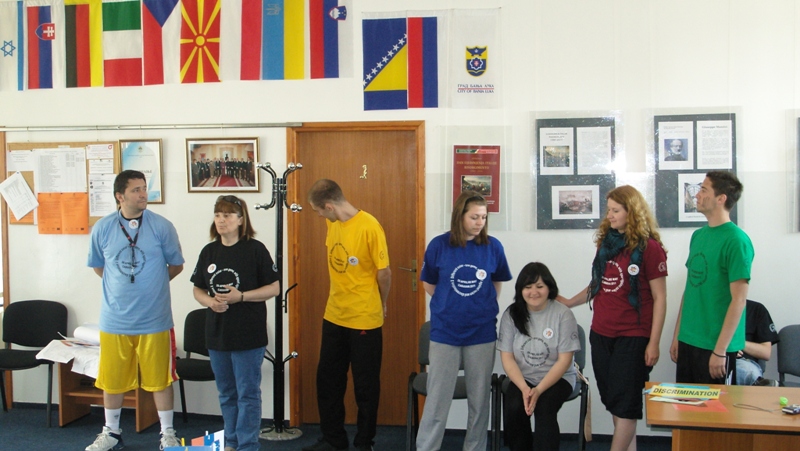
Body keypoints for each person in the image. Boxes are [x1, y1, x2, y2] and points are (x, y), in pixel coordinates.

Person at [558, 185, 667, 451]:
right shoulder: (606, 244)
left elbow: (660, 298)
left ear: (632, 212)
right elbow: (598, 284)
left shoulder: (650, 248)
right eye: (608, 210)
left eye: (615, 211)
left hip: (633, 336)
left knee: (626, 405)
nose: (609, 216)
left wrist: (654, 343)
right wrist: (569, 302)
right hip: (601, 333)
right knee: (615, 401)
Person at [86, 170, 185, 451]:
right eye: (136, 190)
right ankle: (111, 432)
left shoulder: (162, 226)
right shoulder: (103, 228)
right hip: (115, 320)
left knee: (161, 379)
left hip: (155, 319)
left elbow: (176, 265)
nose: (143, 194)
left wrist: (152, 285)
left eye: (144, 188)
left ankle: (167, 434)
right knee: (112, 380)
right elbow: (99, 267)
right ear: (120, 196)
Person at [416, 190, 512, 451]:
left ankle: (475, 448)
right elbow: (428, 283)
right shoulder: (439, 245)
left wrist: (482, 305)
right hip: (445, 333)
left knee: (479, 400)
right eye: (474, 217)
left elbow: (496, 281)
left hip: (481, 333)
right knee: (437, 399)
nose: (480, 222)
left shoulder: (493, 246)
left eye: (483, 217)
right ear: (460, 216)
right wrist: (449, 303)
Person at [302, 179, 391, 451]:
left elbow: (384, 272)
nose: (319, 216)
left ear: (329, 206)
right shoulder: (333, 224)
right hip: (334, 316)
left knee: (365, 387)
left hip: (364, 319)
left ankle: (365, 443)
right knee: (328, 382)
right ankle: (334, 440)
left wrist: (382, 303)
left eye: (319, 210)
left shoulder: (370, 226)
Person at [190, 195, 280, 451]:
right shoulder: (209, 251)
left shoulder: (255, 249)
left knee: (247, 394)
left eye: (228, 215)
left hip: (248, 335)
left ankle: (248, 445)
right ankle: (231, 442)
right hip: (217, 335)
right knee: (227, 393)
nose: (221, 220)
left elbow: (274, 288)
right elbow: (197, 289)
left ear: (241, 220)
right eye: (218, 215)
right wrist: (210, 302)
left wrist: (241, 297)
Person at [670, 171, 754, 384]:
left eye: (703, 189)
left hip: (716, 348)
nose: (697, 195)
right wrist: (678, 335)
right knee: (684, 405)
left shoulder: (737, 241)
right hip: (689, 340)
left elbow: (739, 300)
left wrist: (720, 351)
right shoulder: (698, 236)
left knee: (715, 406)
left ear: (721, 198)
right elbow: (691, 289)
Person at [498, 262, 580, 451]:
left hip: (558, 378)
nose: (533, 292)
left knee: (544, 407)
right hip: (523, 378)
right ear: (520, 290)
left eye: (539, 286)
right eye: (528, 287)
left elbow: (564, 360)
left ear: (549, 288)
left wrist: (538, 390)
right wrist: (525, 388)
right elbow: (507, 357)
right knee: (514, 406)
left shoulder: (563, 314)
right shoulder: (511, 314)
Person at [735, 300, 779, 386]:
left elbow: (765, 353)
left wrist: (736, 343)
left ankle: (760, 385)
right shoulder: (708, 308)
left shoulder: (757, 309)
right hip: (711, 357)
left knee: (747, 371)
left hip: (741, 362)